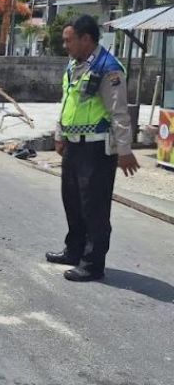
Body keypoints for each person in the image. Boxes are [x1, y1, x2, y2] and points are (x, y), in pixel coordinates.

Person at [46, 15, 140, 282]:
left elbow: (119, 113)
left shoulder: (108, 69)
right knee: (72, 202)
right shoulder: (74, 66)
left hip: (97, 150)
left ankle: (92, 263)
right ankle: (73, 250)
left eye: (69, 40)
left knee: (94, 208)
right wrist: (59, 134)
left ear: (86, 39)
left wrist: (124, 150)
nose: (66, 46)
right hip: (73, 148)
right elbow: (67, 103)